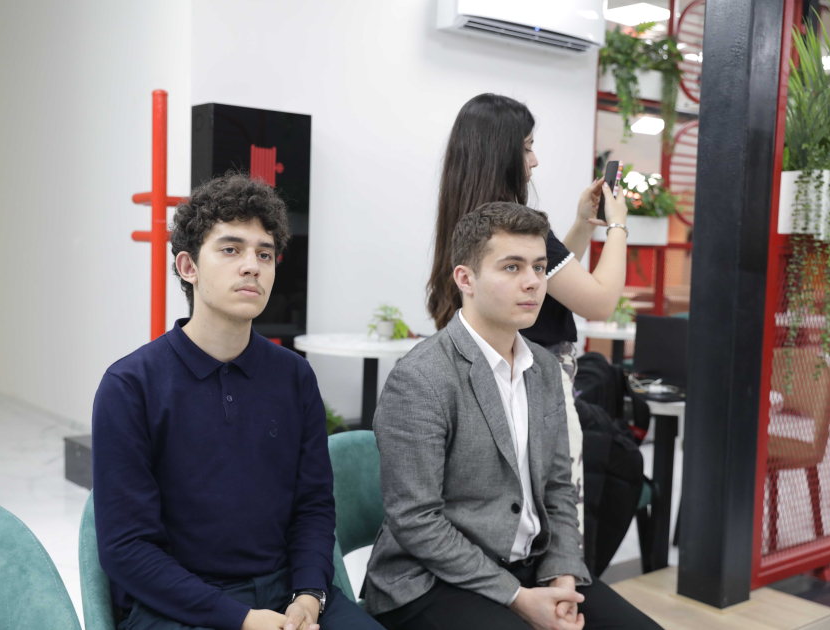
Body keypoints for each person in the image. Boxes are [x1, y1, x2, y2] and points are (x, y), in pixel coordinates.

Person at [92, 173, 383, 630]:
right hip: (179, 606)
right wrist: (242, 619)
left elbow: (313, 506)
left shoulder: (294, 377)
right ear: (188, 267)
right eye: (231, 250)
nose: (252, 266)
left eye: (264, 254)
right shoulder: (130, 386)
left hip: (286, 592)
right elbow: (126, 547)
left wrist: (309, 594)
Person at [366, 202, 660, 630]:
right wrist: (518, 598)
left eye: (539, 267)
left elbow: (559, 488)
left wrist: (563, 576)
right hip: (430, 580)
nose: (533, 282)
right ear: (465, 279)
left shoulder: (543, 368)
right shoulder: (421, 378)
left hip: (531, 564)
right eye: (512, 267)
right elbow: (416, 521)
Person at [425, 93, 631, 531]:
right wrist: (618, 225)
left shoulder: (470, 218)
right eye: (526, 148)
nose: (534, 161)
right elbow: (598, 301)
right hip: (536, 387)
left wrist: (581, 224)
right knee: (557, 520)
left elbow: (546, 282)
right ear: (500, 153)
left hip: (492, 389)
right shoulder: (513, 223)